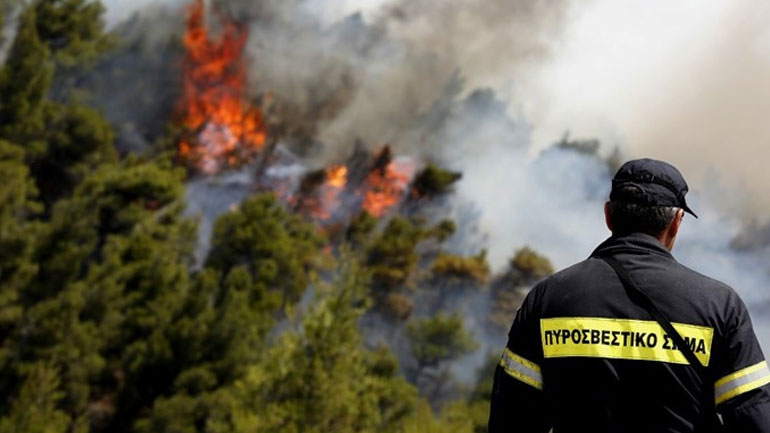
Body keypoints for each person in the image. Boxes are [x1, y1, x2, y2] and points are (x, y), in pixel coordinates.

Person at [488, 158, 770, 432]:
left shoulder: (547, 298)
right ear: (676, 222)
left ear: (608, 215)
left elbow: (511, 419)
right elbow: (755, 419)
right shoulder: (720, 305)